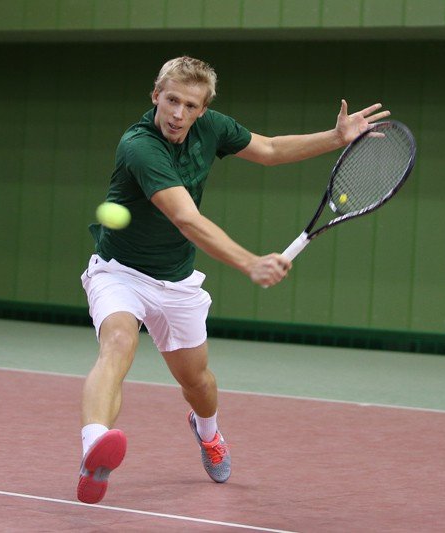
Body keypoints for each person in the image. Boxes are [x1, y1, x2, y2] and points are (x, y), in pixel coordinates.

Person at [77, 56, 389, 504]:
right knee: (118, 345)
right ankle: (94, 449)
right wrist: (249, 263)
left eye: (190, 105)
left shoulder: (212, 127)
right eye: (171, 101)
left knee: (198, 384)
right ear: (156, 96)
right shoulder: (139, 146)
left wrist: (336, 138)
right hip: (120, 272)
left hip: (176, 280)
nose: (178, 114)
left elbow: (270, 150)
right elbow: (186, 218)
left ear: (203, 109)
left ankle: (208, 432)